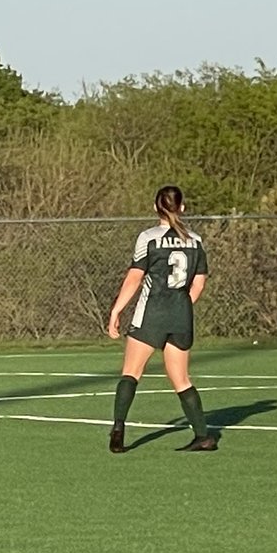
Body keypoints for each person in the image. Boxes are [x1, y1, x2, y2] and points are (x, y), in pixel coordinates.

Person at [106, 185, 216, 453]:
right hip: (181, 316)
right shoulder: (196, 240)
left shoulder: (149, 238)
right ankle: (203, 436)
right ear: (183, 207)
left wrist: (116, 310)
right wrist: (180, 306)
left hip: (152, 313)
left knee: (131, 373)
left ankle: (118, 430)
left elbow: (135, 277)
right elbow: (199, 283)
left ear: (156, 207)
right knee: (181, 379)